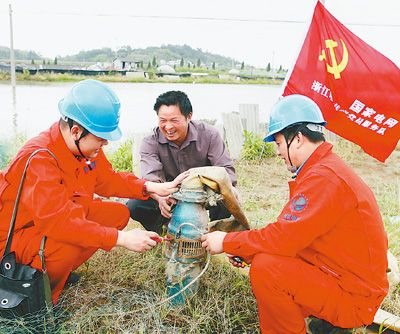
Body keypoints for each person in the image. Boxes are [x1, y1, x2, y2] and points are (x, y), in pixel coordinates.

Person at [201, 94, 389, 334]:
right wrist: (245, 250)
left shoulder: (324, 177)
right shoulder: (324, 169)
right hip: (344, 279)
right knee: (263, 260)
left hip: (353, 297)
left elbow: (283, 238)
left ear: (297, 138)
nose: (278, 152)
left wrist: (227, 241)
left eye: (279, 143)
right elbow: (295, 237)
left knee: (267, 270)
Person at [0, 79, 187, 305]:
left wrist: (148, 187)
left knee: (117, 215)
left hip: (45, 227)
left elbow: (107, 179)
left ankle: (56, 270)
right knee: (66, 242)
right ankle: (41, 297)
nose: (105, 143)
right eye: (101, 137)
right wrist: (122, 239)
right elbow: (60, 223)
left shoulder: (84, 149)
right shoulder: (39, 158)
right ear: (77, 131)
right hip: (12, 243)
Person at [126, 90, 238, 233]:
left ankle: (210, 234)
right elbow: (150, 180)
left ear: (189, 116)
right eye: (163, 121)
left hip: (203, 194)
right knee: (134, 205)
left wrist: (210, 190)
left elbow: (226, 172)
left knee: (226, 198)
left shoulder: (210, 135)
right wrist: (161, 198)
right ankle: (161, 231)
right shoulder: (150, 142)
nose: (168, 127)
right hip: (169, 195)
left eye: (174, 120)